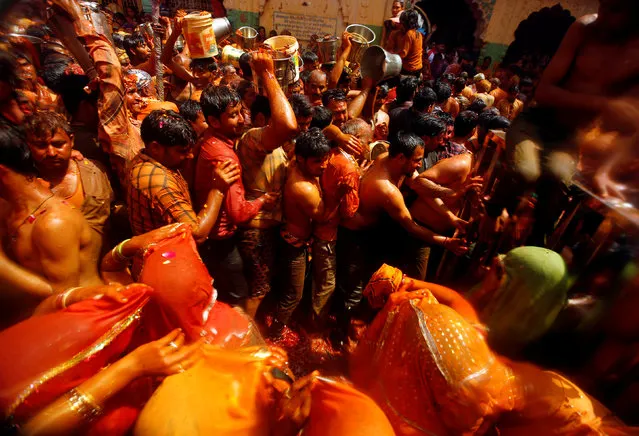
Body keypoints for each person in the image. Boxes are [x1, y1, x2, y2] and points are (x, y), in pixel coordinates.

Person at [351, 263, 633, 436]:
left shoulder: (466, 400)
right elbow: (459, 304)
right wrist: (409, 286)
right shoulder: (476, 354)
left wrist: (402, 294)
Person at [486, 0, 639, 246]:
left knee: (557, 185)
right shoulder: (584, 29)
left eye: (615, 9)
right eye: (604, 5)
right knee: (526, 170)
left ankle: (534, 248)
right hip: (535, 123)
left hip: (568, 138)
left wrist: (606, 171)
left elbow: (633, 125)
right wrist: (604, 105)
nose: (603, 15)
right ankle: (490, 214)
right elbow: (544, 92)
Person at [336, 132, 466, 327]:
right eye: (416, 161)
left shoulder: (389, 157)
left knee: (369, 280)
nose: (418, 166)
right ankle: (341, 332)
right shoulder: (387, 190)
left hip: (371, 233)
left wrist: (451, 216)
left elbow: (419, 186)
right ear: (400, 158)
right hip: (354, 236)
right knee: (354, 288)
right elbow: (411, 226)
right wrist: (446, 242)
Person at [195, 53, 295, 306]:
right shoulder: (224, 154)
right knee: (243, 296)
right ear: (213, 121)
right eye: (233, 116)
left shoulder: (213, 139)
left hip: (226, 237)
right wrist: (263, 200)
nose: (242, 120)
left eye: (242, 112)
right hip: (227, 238)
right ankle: (244, 342)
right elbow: (238, 213)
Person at [234, 87, 302, 319]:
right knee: (258, 291)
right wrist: (268, 75)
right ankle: (242, 342)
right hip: (256, 232)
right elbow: (286, 126)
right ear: (262, 119)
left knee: (261, 287)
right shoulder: (251, 138)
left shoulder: (273, 147)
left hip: (266, 231)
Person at [127, 110, 239, 245]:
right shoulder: (159, 183)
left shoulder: (144, 158)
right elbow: (196, 235)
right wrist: (217, 190)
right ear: (155, 147)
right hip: (166, 257)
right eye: (182, 151)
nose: (190, 156)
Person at [24, 111, 113, 255]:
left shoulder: (96, 172)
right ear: (28, 146)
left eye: (58, 144)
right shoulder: (23, 184)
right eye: (41, 146)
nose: (51, 152)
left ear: (71, 141)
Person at [271, 128, 331, 336]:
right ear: (302, 159)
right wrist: (340, 193)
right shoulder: (301, 186)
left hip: (298, 240)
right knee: (293, 294)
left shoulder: (298, 165)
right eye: (318, 161)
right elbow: (323, 215)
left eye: (326, 159)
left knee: (294, 287)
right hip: (294, 245)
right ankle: (275, 333)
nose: (324, 166)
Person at [312, 119, 370, 329]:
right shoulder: (348, 169)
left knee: (320, 280)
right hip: (328, 233)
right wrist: (357, 182)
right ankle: (317, 328)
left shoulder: (331, 155)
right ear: (357, 141)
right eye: (367, 141)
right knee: (327, 284)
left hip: (318, 228)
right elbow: (349, 211)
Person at [469, 246, 569, 355]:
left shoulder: (470, 336)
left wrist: (477, 296)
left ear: (516, 291)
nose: (487, 270)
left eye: (499, 271)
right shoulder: (531, 358)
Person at [392, 9, 423, 77]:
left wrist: (392, 58)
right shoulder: (419, 34)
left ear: (407, 23)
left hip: (409, 69)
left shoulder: (409, 34)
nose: (401, 26)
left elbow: (404, 53)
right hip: (419, 67)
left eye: (402, 24)